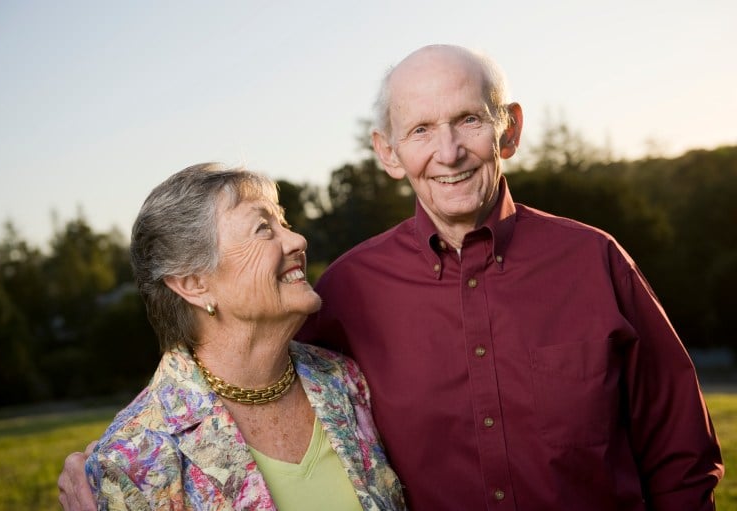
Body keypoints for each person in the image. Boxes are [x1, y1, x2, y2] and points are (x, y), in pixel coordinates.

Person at [60, 45, 723, 510]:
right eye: (421, 129)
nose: (448, 151)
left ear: (508, 129)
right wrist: (119, 465)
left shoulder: (593, 260)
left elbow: (681, 455)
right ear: (388, 151)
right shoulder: (346, 293)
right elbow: (227, 351)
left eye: (468, 118)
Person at [63, 163, 404, 510]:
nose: (298, 240)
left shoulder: (343, 381)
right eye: (263, 229)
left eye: (282, 223)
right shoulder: (134, 458)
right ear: (194, 284)